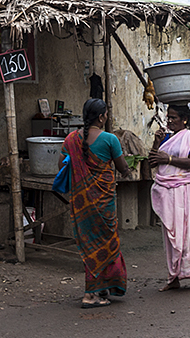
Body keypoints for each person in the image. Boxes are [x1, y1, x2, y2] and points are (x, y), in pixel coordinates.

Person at [60, 99, 130, 308]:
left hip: (82, 204)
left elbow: (62, 164)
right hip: (104, 204)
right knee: (107, 243)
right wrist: (126, 170)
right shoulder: (110, 139)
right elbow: (122, 167)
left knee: (91, 245)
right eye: (106, 114)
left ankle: (101, 288)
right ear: (101, 117)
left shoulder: (71, 139)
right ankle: (90, 295)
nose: (107, 117)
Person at [148, 104, 190, 292]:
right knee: (171, 234)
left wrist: (169, 160)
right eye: (168, 117)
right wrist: (156, 143)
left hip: (188, 190)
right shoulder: (165, 137)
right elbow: (153, 160)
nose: (170, 121)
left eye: (173, 118)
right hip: (169, 191)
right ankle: (173, 277)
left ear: (184, 120)